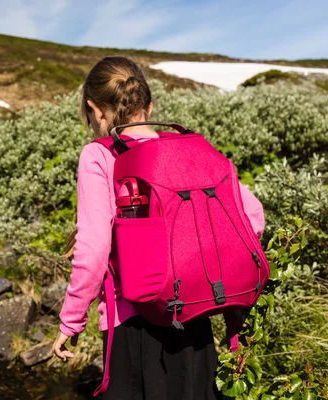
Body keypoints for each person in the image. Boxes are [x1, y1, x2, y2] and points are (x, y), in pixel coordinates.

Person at [52, 56, 265, 399]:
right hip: (194, 316)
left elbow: (92, 251)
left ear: (95, 109)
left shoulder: (99, 155)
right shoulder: (190, 151)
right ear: (149, 107)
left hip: (133, 324)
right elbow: (253, 218)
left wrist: (71, 321)